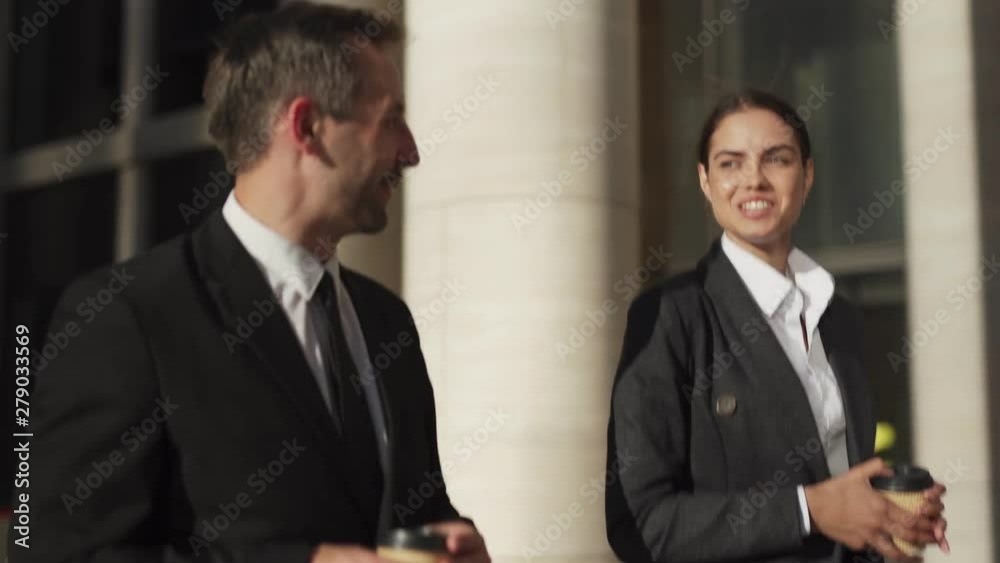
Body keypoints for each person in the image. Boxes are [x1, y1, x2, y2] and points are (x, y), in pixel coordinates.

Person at [10, 3, 490, 563]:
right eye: (390, 120)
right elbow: (61, 554)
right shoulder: (125, 316)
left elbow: (410, 513)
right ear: (307, 126)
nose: (410, 151)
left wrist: (449, 538)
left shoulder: (387, 321)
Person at [604, 90, 949, 562]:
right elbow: (641, 525)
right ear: (704, 181)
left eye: (777, 159)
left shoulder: (839, 317)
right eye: (730, 164)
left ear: (806, 175)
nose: (754, 180)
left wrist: (888, 516)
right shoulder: (669, 316)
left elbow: (837, 484)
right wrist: (807, 510)